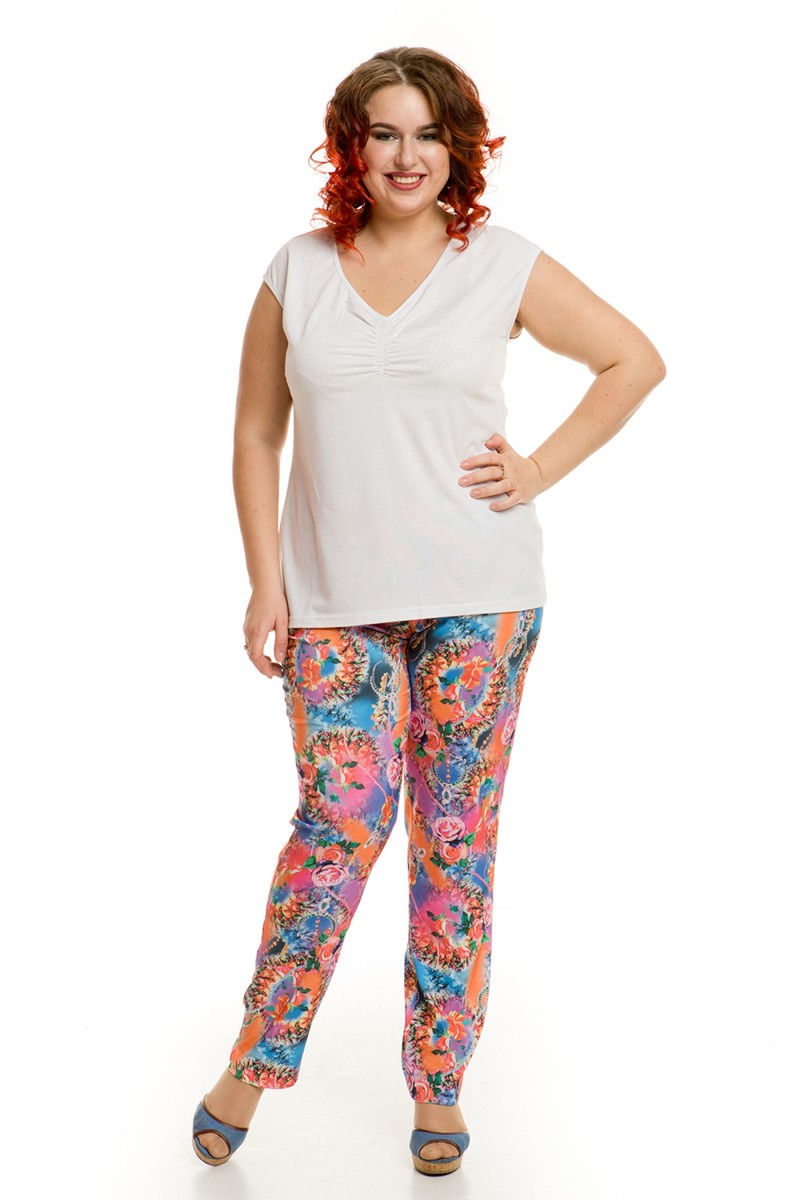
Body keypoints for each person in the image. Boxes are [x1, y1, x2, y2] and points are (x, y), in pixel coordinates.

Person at [191, 45, 666, 1177]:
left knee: (454, 838)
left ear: (457, 147)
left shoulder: (499, 263)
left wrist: (537, 469)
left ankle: (440, 1082)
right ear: (351, 146)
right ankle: (255, 1060)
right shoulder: (298, 269)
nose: (406, 157)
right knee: (339, 823)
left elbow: (631, 362)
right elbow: (256, 432)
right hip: (333, 605)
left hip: (478, 600)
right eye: (384, 134)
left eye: (427, 135)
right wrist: (265, 579)